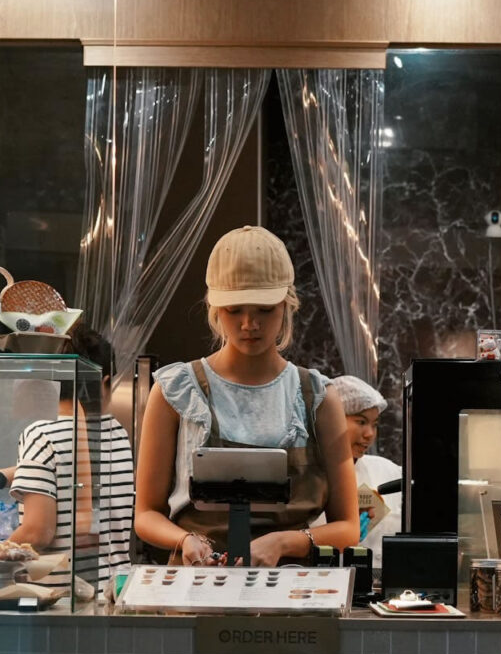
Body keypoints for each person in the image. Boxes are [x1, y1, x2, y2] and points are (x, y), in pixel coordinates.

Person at [135, 225, 360, 567]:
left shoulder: (317, 397)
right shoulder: (175, 391)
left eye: (264, 309)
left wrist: (285, 542)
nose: (249, 323)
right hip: (199, 581)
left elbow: (348, 527)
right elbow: (146, 514)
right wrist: (185, 539)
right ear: (214, 308)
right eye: (234, 309)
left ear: (287, 305)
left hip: (292, 588)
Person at [0, 324, 134, 591]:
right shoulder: (118, 434)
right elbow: (68, 467)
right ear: (106, 382)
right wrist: (2, 476)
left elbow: (37, 532)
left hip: (62, 597)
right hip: (113, 592)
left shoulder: (41, 435)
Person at [311, 375, 402, 571]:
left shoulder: (387, 471)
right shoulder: (306, 477)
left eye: (375, 424)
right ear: (330, 420)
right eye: (361, 422)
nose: (370, 434)